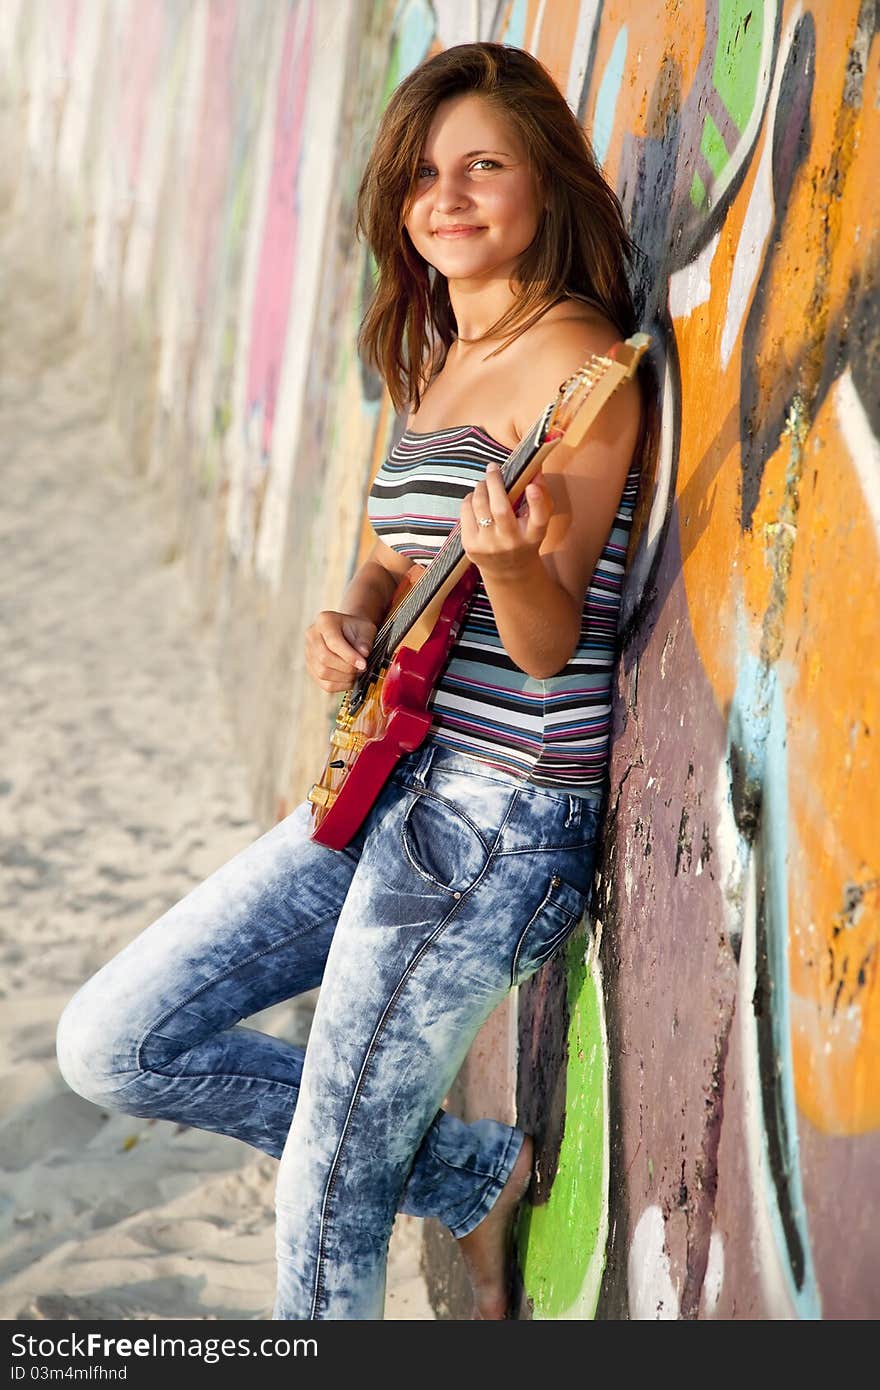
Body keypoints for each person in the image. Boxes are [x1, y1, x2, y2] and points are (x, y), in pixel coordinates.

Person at [56, 41, 645, 1321]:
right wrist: (351, 616)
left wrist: (511, 567)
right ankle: (470, 1177)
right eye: (425, 173)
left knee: (325, 1193)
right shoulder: (443, 354)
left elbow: (548, 645)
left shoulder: (580, 366)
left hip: (499, 813)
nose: (449, 195)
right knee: (113, 1041)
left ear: (542, 177)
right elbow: (386, 552)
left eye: (484, 164)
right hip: (388, 774)